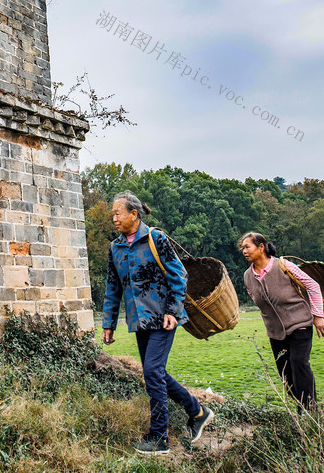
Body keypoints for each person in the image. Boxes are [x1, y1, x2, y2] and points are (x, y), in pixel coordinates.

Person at [102, 191, 213, 456]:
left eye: (118, 213)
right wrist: (109, 323)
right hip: (139, 320)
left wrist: (173, 310)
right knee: (156, 373)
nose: (114, 218)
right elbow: (112, 286)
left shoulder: (155, 238)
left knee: (152, 371)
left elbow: (179, 275)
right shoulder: (115, 247)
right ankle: (197, 411)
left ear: (133, 214)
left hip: (163, 318)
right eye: (113, 214)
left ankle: (159, 437)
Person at [240, 232, 324, 410]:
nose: (244, 251)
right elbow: (255, 297)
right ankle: (301, 408)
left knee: (299, 364)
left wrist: (318, 316)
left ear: (261, 247)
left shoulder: (283, 265)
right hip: (275, 332)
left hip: (299, 323)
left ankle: (310, 413)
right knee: (285, 374)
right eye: (242, 248)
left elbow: (312, 285)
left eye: (247, 247)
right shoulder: (247, 276)